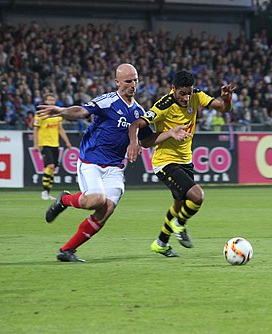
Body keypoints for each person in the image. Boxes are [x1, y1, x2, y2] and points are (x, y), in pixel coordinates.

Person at [36, 63, 190, 262]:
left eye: (135, 80)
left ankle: (67, 251)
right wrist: (61, 111)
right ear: (117, 82)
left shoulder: (138, 111)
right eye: (128, 81)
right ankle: (65, 200)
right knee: (95, 200)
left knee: (106, 209)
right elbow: (82, 111)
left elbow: (146, 141)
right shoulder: (108, 101)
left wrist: (169, 133)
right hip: (91, 161)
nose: (133, 84)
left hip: (115, 167)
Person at [128, 70, 235, 257]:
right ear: (173, 89)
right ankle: (180, 224)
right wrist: (134, 142)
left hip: (186, 160)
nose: (186, 98)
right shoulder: (163, 105)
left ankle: (161, 243)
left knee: (179, 202)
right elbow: (137, 126)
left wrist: (227, 99)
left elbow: (224, 109)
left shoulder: (196, 96)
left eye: (188, 93)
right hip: (165, 161)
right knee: (197, 196)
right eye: (182, 94)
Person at [33, 92, 73, 200]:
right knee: (49, 166)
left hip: (55, 143)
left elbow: (60, 129)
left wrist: (67, 142)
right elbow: (35, 129)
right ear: (45, 101)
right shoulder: (40, 114)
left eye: (52, 100)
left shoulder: (57, 115)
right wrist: (36, 144)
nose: (51, 102)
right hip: (44, 143)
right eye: (49, 100)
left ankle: (48, 192)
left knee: (53, 168)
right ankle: (44, 191)